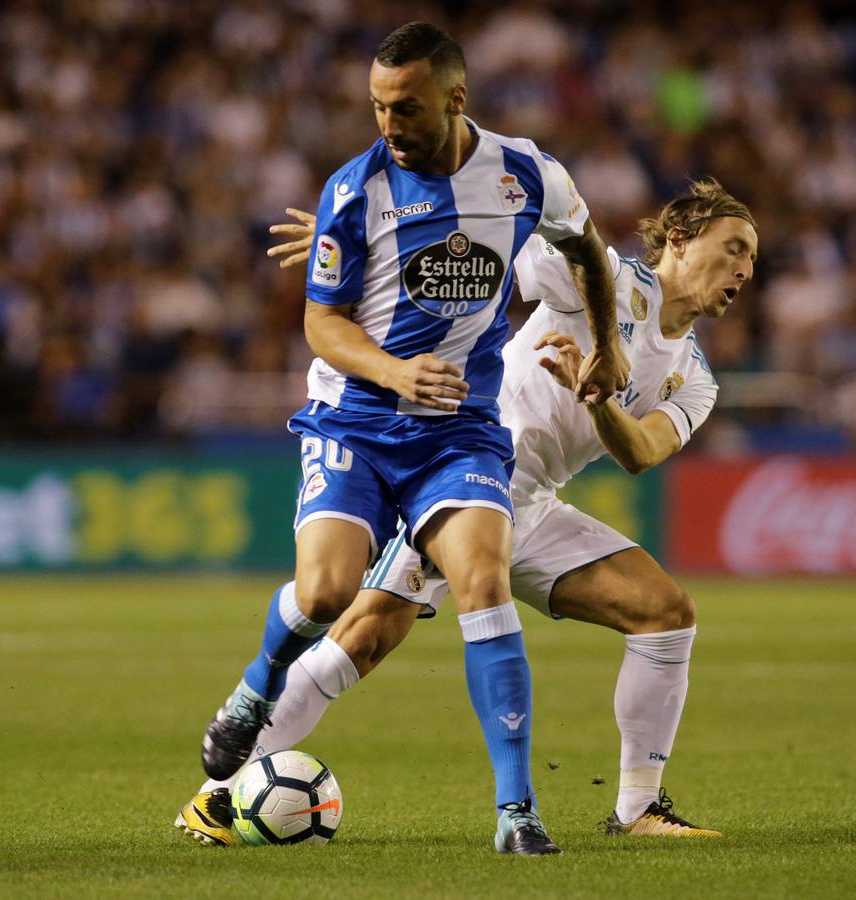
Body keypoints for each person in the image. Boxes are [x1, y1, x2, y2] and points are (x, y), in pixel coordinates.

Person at [178, 179, 758, 846]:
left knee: (666, 613)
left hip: (530, 504)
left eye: (751, 258)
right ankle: (216, 794)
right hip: (457, 470)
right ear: (679, 239)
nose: (745, 269)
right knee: (362, 638)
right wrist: (365, 246)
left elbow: (641, 451)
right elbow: (480, 245)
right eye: (734, 247)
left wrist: (598, 399)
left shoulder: (695, 377)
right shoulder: (600, 277)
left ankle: (639, 807)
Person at [190, 21, 629, 856]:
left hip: (459, 428)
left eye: (406, 107)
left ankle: (517, 811)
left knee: (484, 581)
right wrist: (395, 373)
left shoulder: (526, 174)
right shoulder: (354, 190)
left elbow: (587, 249)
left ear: (456, 99)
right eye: (378, 106)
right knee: (325, 595)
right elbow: (321, 323)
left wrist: (608, 344)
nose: (388, 123)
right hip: (356, 418)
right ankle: (256, 685)